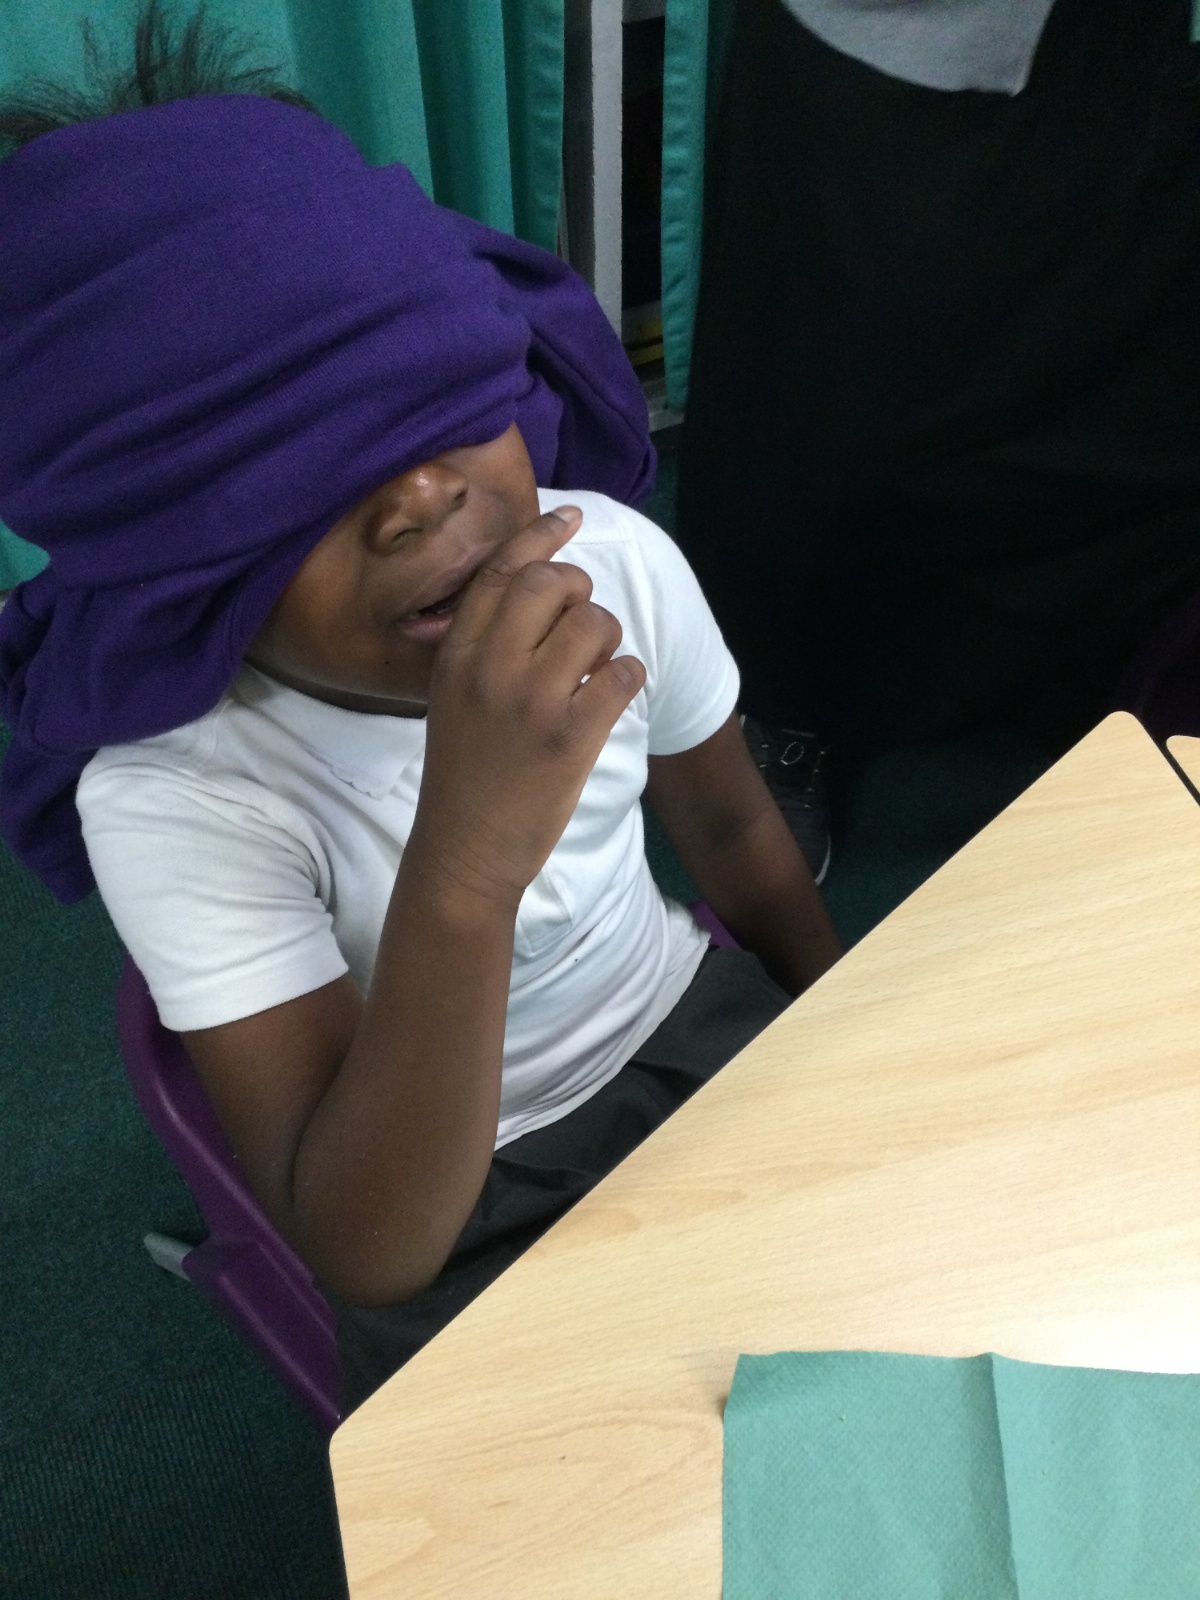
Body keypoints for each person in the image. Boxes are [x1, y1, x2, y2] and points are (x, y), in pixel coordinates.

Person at [0, 8, 841, 1411]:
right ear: (171, 570)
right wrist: (467, 861)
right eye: (301, 478)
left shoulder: (611, 561)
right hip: (457, 1203)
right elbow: (368, 1244)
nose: (420, 496)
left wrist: (847, 1035)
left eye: (431, 398)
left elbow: (739, 837)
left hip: (694, 1028)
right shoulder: (178, 799)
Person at [677, 0, 1200, 763]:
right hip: (900, 45)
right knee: (837, 406)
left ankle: (1120, 678)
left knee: (1137, 396)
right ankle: (783, 705)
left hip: (1145, 54)